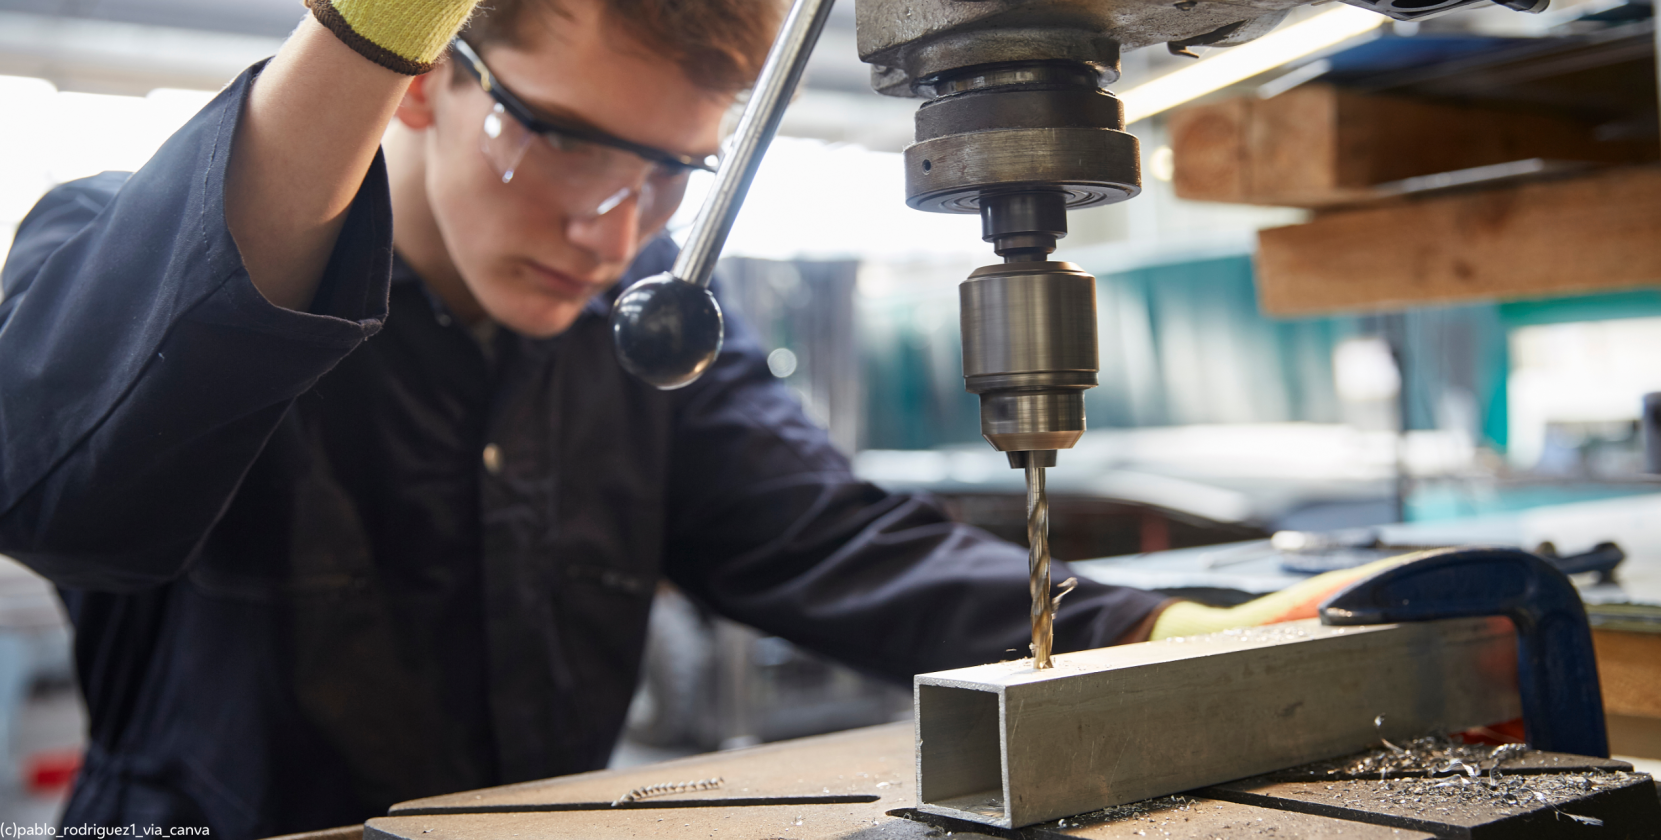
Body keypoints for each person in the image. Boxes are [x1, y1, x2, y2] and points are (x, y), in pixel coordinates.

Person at [0, 0, 1358, 834]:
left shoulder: (646, 322)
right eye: (567, 138)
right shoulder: (125, 245)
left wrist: (1159, 631)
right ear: (426, 75)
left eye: (671, 174)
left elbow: (829, 543)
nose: (617, 228)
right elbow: (68, 500)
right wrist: (352, 34)